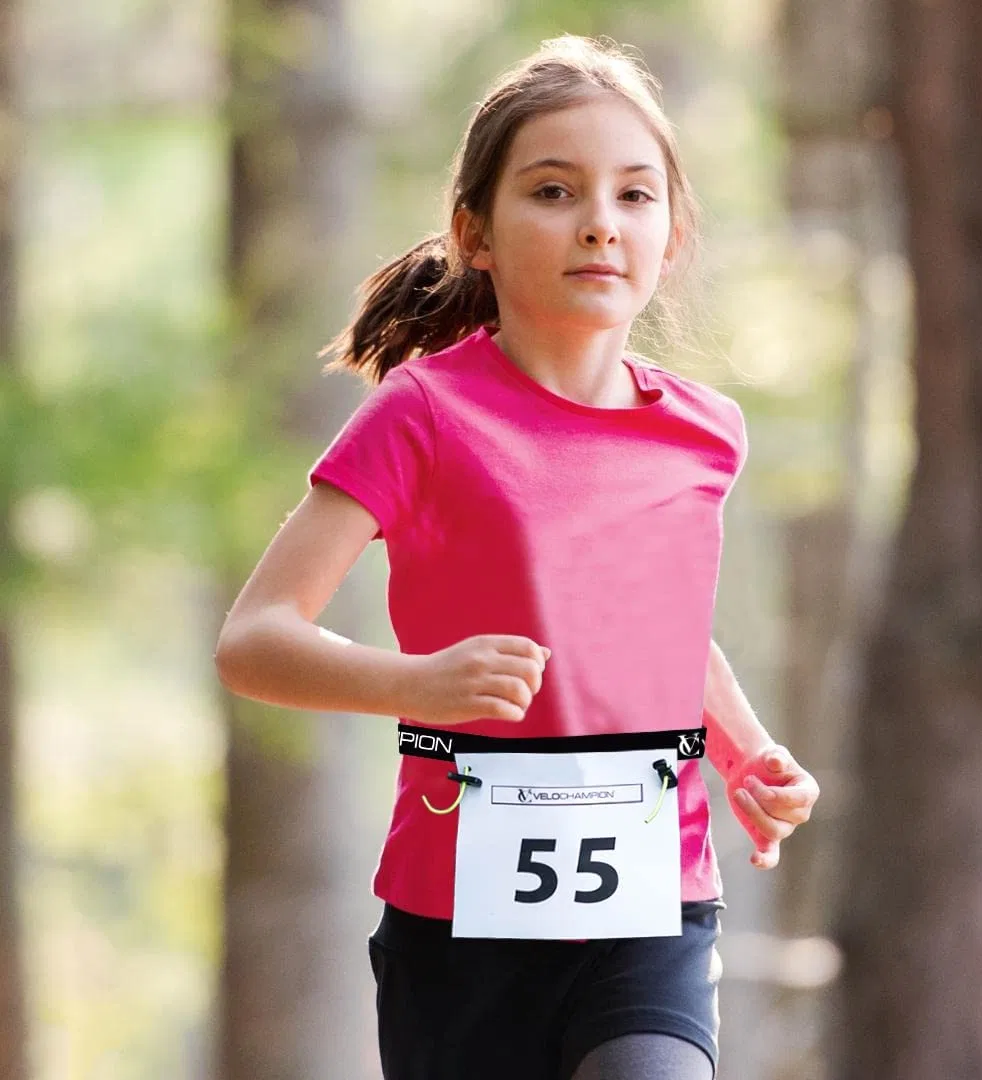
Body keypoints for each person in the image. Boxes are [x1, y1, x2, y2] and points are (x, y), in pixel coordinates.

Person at [215, 34, 820, 1080]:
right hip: (459, 924)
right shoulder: (424, 415)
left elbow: (657, 624)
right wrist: (418, 683)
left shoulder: (704, 432)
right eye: (553, 190)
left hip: (652, 907)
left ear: (670, 236)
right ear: (476, 233)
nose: (599, 221)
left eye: (635, 196)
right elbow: (253, 641)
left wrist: (746, 753)